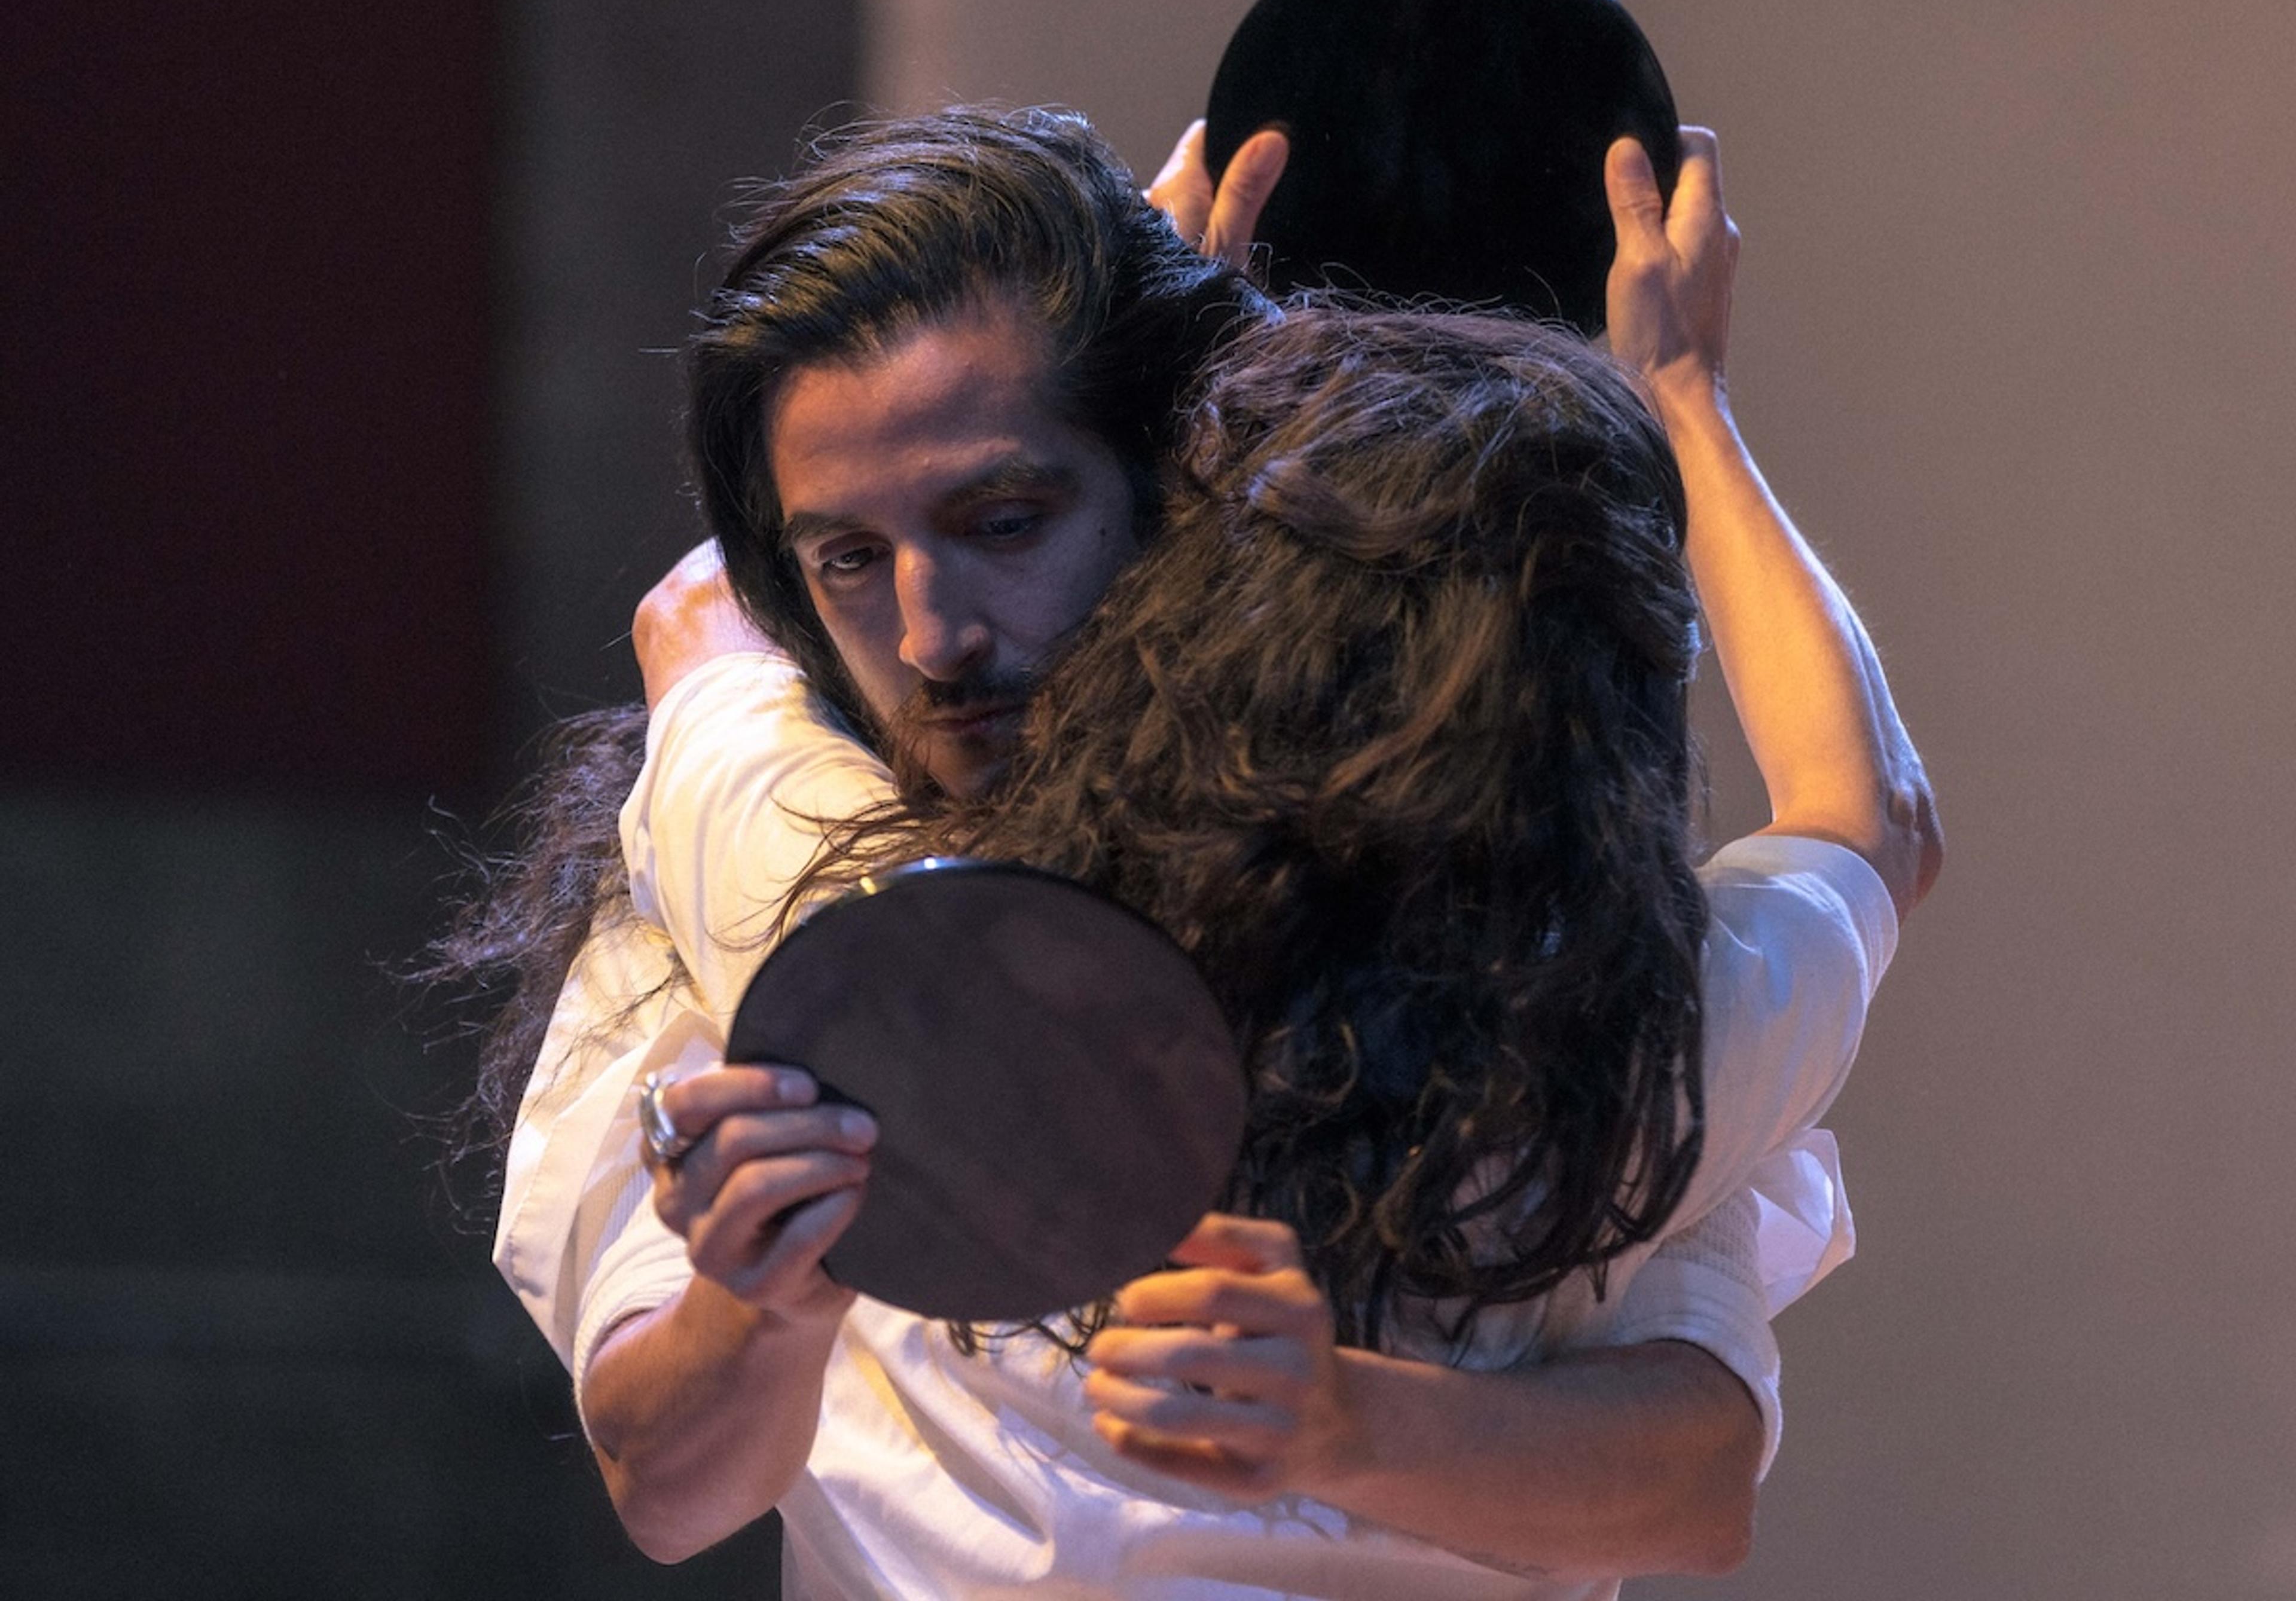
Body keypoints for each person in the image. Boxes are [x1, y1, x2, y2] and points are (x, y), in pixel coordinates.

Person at [474, 107, 1937, 1592]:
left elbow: (1690, 1481)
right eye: (850, 558)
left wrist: (1339, 1418)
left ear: (1181, 493)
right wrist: (1683, 399)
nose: (933, 636)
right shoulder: (736, 890)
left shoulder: (761, 857)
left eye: (1006, 517)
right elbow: (1867, 823)